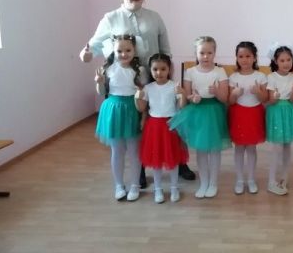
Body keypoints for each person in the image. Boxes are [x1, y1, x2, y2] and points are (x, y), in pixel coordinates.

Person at [80, 0, 195, 185]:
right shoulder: (110, 18)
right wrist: (86, 54)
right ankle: (140, 169)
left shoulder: (154, 17)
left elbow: (165, 50)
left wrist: (166, 76)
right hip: (124, 82)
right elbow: (93, 46)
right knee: (138, 126)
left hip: (154, 76)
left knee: (168, 118)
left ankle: (179, 162)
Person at [168, 36, 230, 198]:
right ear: (196, 53)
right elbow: (188, 95)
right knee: (201, 151)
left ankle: (213, 183)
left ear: (215, 53)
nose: (205, 56)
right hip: (197, 112)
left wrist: (217, 92)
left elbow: (225, 98)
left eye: (209, 53)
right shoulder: (190, 72)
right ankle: (204, 183)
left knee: (214, 150)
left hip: (214, 112)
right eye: (202, 53)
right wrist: (192, 98)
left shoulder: (220, 71)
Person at [94, 34, 146, 201]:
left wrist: (143, 116)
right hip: (113, 110)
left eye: (128, 50)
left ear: (134, 50)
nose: (124, 54)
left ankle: (135, 185)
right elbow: (102, 92)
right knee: (117, 151)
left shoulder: (139, 70)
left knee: (134, 151)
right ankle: (119, 185)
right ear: (114, 51)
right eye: (119, 51)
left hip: (132, 109)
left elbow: (144, 94)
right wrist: (99, 82)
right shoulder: (108, 69)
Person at [135, 54, 188, 204]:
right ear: (150, 70)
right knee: (156, 159)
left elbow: (182, 106)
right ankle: (158, 189)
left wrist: (182, 94)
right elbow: (141, 108)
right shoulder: (148, 88)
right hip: (154, 127)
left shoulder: (174, 86)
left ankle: (174, 187)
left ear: (169, 69)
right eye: (155, 69)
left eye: (163, 69)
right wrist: (137, 97)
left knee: (173, 159)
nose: (159, 72)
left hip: (171, 125)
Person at [228, 41, 268, 195]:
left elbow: (265, 99)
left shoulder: (261, 76)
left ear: (254, 58)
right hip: (239, 114)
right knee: (239, 148)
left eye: (248, 56)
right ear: (237, 58)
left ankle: (251, 179)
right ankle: (239, 180)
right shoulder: (233, 77)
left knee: (251, 148)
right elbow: (230, 101)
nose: (244, 59)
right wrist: (234, 94)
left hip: (254, 114)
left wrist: (258, 92)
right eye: (241, 56)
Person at [265, 44, 293, 195]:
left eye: (288, 60)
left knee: (287, 146)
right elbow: (271, 100)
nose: (286, 63)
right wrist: (274, 97)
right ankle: (271, 181)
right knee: (277, 148)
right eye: (282, 60)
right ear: (276, 61)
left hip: (288, 112)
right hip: (276, 112)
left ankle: (284, 177)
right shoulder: (271, 77)